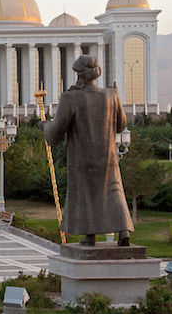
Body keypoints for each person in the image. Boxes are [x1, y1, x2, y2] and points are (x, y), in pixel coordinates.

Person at [41, 55, 134, 246]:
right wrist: (115, 102)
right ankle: (123, 229)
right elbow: (120, 125)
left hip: (82, 159)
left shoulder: (71, 97)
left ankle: (89, 234)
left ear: (79, 75)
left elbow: (56, 134)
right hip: (107, 157)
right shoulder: (111, 95)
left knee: (85, 194)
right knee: (113, 190)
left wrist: (44, 126)